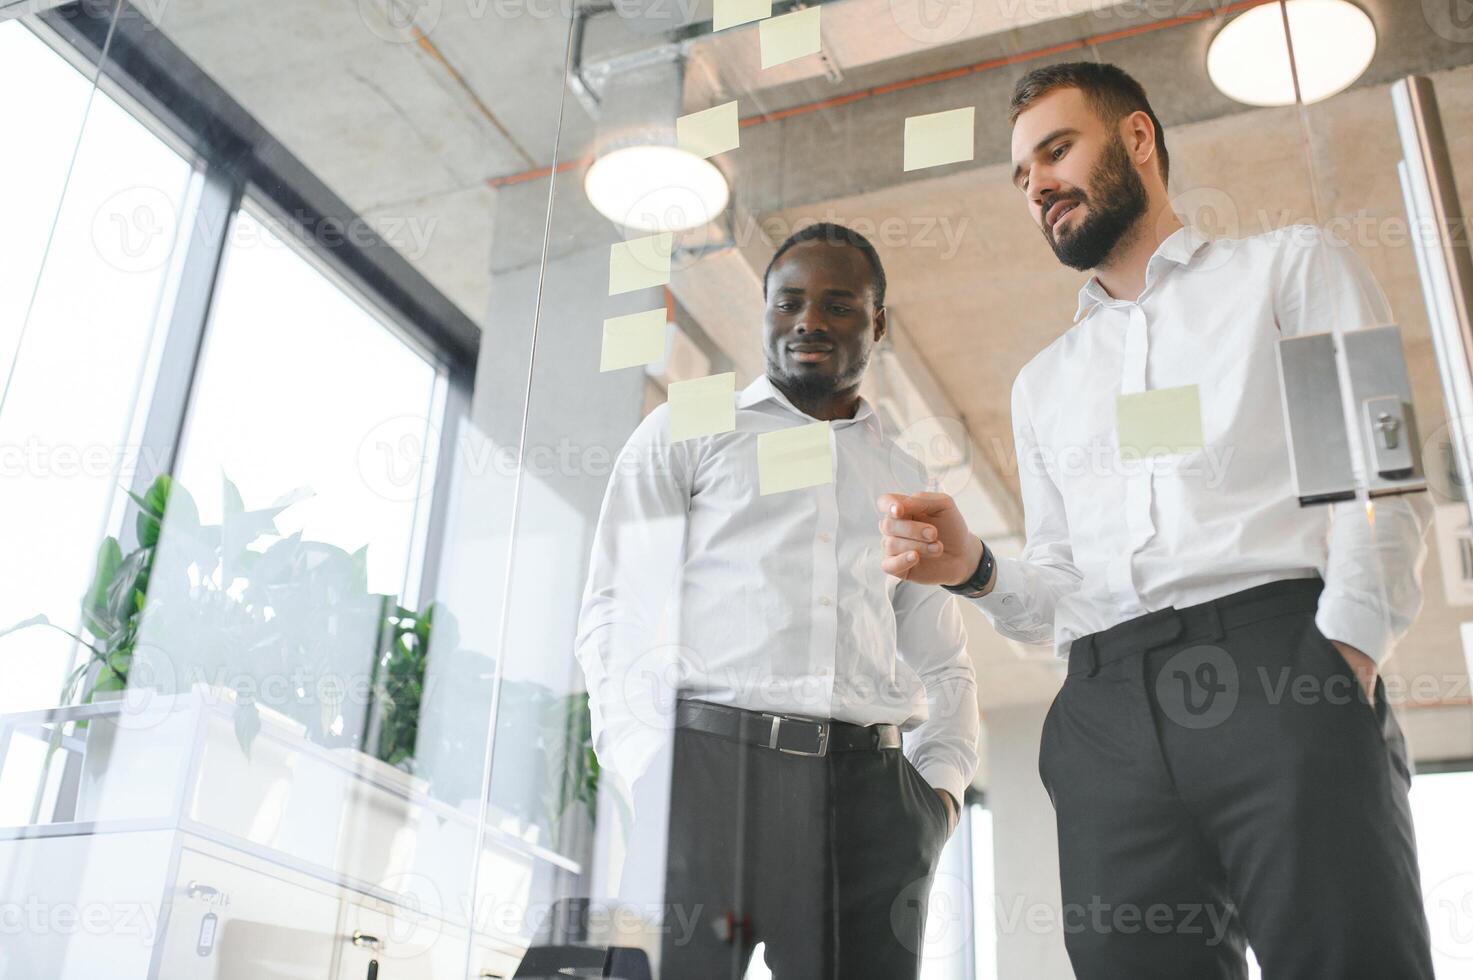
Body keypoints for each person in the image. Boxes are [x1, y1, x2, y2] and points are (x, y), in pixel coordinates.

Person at [878, 62, 1435, 979]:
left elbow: (1376, 481)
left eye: (1056, 151)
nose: (1038, 187)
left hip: (1284, 672)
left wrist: (1348, 656)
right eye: (1022, 176)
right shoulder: (1043, 383)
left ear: (1137, 138)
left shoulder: (1289, 270)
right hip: (1104, 716)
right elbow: (1059, 594)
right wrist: (975, 566)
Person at [575, 222, 980, 979]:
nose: (808, 322)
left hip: (868, 803)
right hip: (705, 781)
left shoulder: (903, 471)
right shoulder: (688, 429)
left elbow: (945, 661)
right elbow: (612, 612)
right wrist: (645, 770)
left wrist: (939, 799)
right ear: (762, 311)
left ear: (877, 323)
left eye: (837, 305)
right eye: (788, 302)